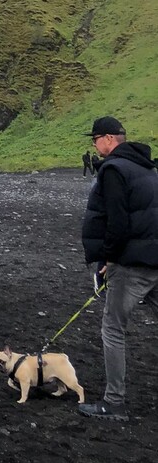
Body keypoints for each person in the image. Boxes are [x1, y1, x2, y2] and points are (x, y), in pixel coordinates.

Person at [79, 116, 158, 420]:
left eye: (96, 138)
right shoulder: (147, 168)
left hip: (131, 264)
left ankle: (114, 402)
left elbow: (118, 222)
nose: (94, 145)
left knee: (113, 328)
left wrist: (108, 258)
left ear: (109, 139)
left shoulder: (113, 169)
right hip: (154, 257)